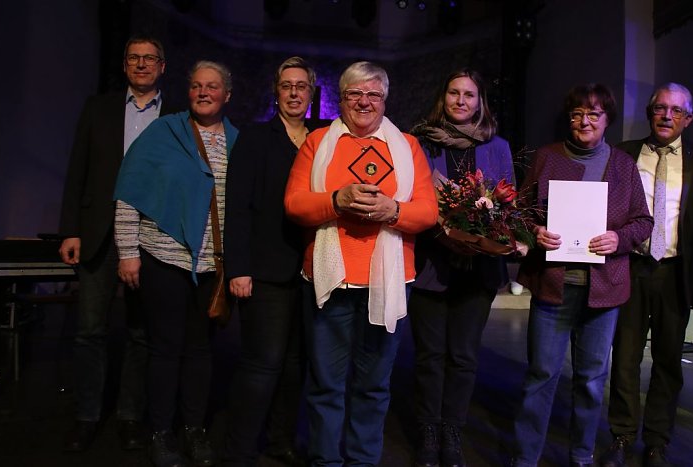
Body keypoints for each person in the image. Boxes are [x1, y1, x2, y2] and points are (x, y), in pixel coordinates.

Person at [284, 61, 438, 466]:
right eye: (354, 94)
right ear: (342, 98)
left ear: (385, 99)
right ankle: (325, 461)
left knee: (373, 386)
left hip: (387, 283)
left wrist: (393, 210)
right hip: (328, 282)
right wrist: (336, 200)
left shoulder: (407, 145)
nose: (364, 102)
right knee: (326, 386)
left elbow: (427, 213)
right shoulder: (318, 142)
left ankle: (362, 461)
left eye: (373, 94)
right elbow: (294, 204)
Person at [511, 84, 652, 467]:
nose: (584, 121)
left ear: (607, 120)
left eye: (593, 114)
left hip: (603, 293)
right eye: (576, 114)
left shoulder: (623, 164)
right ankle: (524, 459)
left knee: (591, 380)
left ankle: (581, 456)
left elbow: (643, 221)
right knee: (541, 375)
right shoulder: (547, 157)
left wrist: (618, 238)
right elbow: (519, 213)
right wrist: (535, 232)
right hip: (553, 286)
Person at [114, 60, 238, 467]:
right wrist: (128, 252)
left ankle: (195, 430)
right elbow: (130, 191)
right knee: (164, 349)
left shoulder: (238, 142)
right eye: (197, 86)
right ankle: (161, 432)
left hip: (210, 266)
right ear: (189, 92)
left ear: (227, 95)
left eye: (213, 87)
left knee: (201, 351)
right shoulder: (163, 132)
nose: (204, 92)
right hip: (162, 259)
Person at [58, 35, 177, 452]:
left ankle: (129, 415)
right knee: (89, 330)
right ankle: (87, 415)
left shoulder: (176, 114)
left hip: (151, 236)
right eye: (134, 58)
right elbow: (78, 169)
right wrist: (70, 229)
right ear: (125, 65)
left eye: (150, 59)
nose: (141, 65)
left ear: (163, 66)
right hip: (97, 235)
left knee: (141, 333)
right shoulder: (99, 107)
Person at [408, 68, 514, 467]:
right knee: (429, 356)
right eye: (453, 93)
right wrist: (445, 232)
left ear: (480, 102)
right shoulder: (421, 144)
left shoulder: (498, 146)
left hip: (479, 267)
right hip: (430, 263)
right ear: (443, 98)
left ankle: (452, 431)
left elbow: (508, 203)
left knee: (464, 356)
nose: (460, 101)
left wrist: (488, 232)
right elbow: (412, 199)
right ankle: (428, 431)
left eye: (469, 95)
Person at [600, 83, 693, 467]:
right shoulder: (623, 154)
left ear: (688, 119)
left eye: (676, 111)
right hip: (630, 267)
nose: (666, 116)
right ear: (649, 113)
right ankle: (621, 435)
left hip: (676, 272)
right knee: (625, 358)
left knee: (668, 361)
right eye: (660, 108)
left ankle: (657, 441)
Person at [220, 56, 317, 467]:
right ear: (275, 92)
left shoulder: (322, 139)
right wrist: (238, 267)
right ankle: (240, 449)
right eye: (286, 86)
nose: (294, 93)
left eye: (301, 86)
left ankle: (281, 440)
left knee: (296, 366)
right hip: (264, 271)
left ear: (312, 94)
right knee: (263, 365)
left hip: (310, 273)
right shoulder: (256, 139)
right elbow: (237, 208)